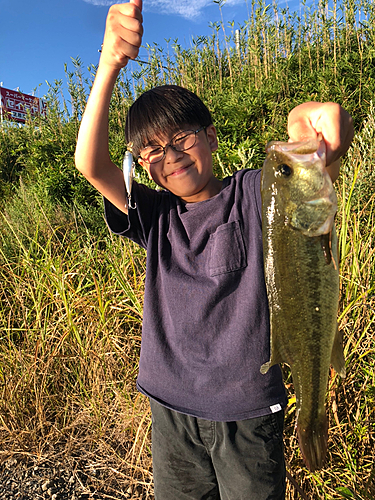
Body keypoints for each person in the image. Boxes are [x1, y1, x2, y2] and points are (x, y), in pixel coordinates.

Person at [75, 1, 354, 498]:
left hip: (247, 413)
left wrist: (310, 123)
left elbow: (320, 144)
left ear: (211, 136)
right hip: (172, 411)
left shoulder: (255, 194)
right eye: (153, 150)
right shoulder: (154, 216)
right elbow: (91, 164)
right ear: (142, 163)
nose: (171, 155)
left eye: (182, 137)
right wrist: (109, 63)